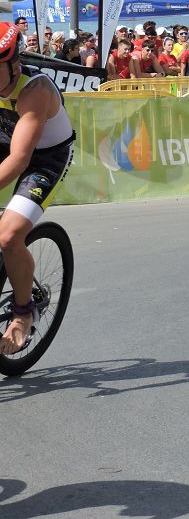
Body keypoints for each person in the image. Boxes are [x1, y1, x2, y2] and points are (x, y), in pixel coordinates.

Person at [0, 23, 76, 355]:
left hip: (45, 158)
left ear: (13, 65)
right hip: (5, 142)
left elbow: (19, 159)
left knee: (8, 235)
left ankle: (23, 312)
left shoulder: (35, 91)